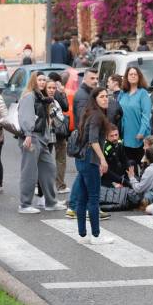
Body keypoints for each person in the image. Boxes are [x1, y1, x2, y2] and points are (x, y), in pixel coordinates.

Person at [17, 72, 66, 214]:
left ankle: (51, 202)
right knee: (29, 172)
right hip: (31, 137)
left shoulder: (41, 97)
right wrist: (28, 134)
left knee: (49, 169)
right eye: (40, 79)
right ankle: (24, 205)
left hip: (41, 139)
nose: (43, 82)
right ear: (33, 80)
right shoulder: (29, 96)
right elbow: (26, 117)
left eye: (44, 79)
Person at [74, 87, 114, 244]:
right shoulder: (97, 116)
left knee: (82, 198)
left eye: (107, 96)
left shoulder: (88, 113)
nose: (106, 99)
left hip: (81, 159)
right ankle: (96, 236)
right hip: (90, 160)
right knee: (93, 199)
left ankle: (82, 235)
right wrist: (103, 160)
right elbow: (93, 140)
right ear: (95, 99)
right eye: (102, 97)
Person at [118, 66, 151, 164]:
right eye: (130, 74)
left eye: (135, 74)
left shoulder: (143, 93)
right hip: (124, 135)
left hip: (139, 136)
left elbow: (146, 115)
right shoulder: (122, 94)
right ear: (126, 77)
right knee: (127, 165)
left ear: (139, 77)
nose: (133, 76)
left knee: (140, 165)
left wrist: (141, 132)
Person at [47, 73, 70, 194]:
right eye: (49, 88)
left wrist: (62, 93)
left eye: (53, 88)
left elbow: (65, 107)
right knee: (45, 160)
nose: (52, 90)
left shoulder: (55, 99)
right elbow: (64, 108)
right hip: (48, 134)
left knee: (59, 158)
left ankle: (60, 185)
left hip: (57, 133)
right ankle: (41, 185)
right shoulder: (45, 100)